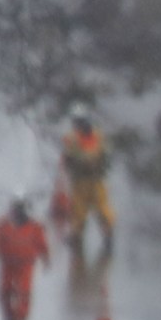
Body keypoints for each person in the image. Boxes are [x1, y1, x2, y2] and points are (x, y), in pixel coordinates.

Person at [0, 198, 52, 320]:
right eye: (16, 209)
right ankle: (9, 318)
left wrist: (46, 259)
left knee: (24, 292)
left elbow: (42, 244)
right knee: (4, 292)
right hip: (7, 264)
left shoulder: (35, 226)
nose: (18, 213)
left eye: (21, 209)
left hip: (26, 264)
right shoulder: (2, 224)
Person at [59, 105, 116, 250]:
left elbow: (105, 156)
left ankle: (106, 235)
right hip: (85, 180)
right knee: (80, 209)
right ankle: (78, 236)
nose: (78, 124)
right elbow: (67, 158)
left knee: (99, 208)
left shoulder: (91, 136)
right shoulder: (74, 138)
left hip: (91, 180)